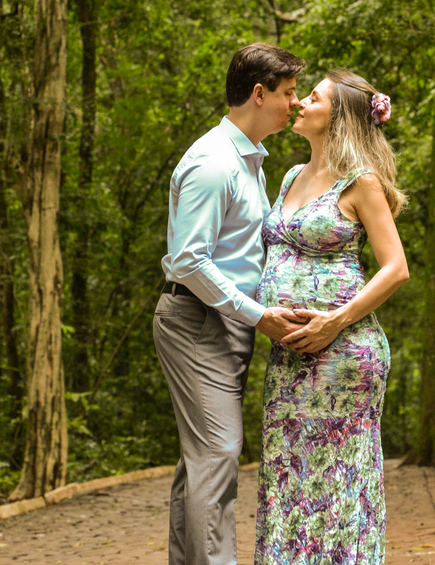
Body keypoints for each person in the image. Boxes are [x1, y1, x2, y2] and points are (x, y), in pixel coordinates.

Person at [154, 42, 308, 565]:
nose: (296, 102)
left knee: (202, 461)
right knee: (218, 454)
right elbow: (188, 262)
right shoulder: (214, 163)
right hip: (198, 323)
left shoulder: (250, 161)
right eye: (289, 93)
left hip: (225, 326)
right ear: (259, 93)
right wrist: (259, 315)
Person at [254, 69, 410, 565]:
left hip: (344, 356)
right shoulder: (289, 176)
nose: (299, 102)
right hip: (290, 359)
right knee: (287, 473)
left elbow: (396, 268)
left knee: (339, 481)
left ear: (337, 116)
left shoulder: (361, 182)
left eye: (313, 98)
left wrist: (334, 321)